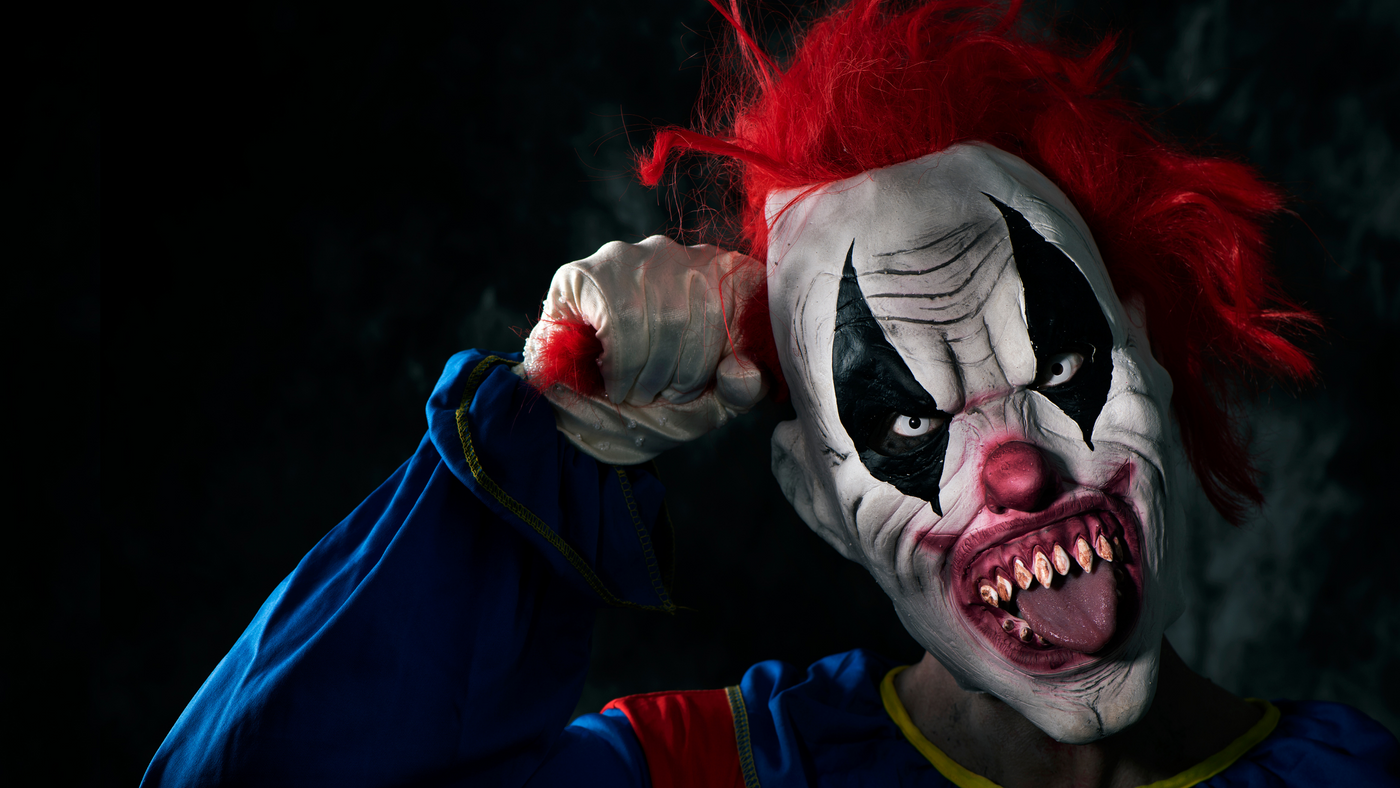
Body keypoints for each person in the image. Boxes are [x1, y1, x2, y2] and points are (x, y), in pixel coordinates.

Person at [141, 1, 1399, 786]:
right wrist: (538, 433)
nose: (1017, 469)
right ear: (813, 498)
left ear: (1150, 359)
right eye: (907, 420)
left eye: (1061, 366)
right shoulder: (720, 771)